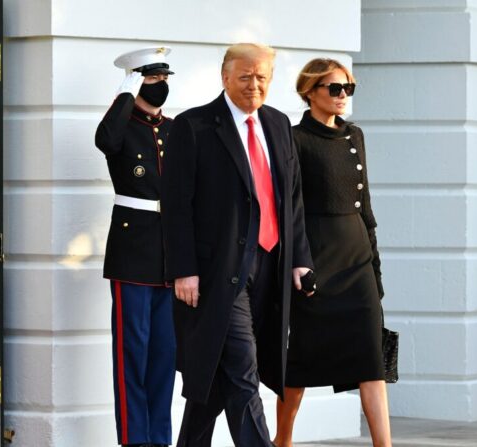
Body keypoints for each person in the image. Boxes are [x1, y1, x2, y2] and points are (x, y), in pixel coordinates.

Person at [160, 43, 314, 447]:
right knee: (243, 371)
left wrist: (299, 260)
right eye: (245, 76)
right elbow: (176, 206)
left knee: (214, 377)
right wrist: (183, 269)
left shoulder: (279, 124)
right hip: (218, 271)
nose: (254, 85)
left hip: (271, 267)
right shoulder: (192, 126)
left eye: (262, 76)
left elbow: (291, 198)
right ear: (225, 77)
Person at [272, 59, 392, 447]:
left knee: (372, 360)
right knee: (302, 362)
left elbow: (366, 207)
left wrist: (375, 268)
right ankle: (283, 440)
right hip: (317, 258)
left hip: (357, 259)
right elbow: (288, 207)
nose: (343, 96)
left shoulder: (354, 136)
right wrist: (296, 261)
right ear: (310, 92)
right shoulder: (293, 138)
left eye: (348, 89)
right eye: (334, 89)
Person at [94, 47, 176, 447]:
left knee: (165, 354)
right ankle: (133, 439)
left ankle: (160, 437)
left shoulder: (176, 129)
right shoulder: (121, 127)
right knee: (132, 352)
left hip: (169, 255)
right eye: (152, 79)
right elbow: (104, 140)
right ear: (135, 80)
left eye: (164, 79)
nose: (160, 86)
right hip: (132, 251)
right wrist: (126, 93)